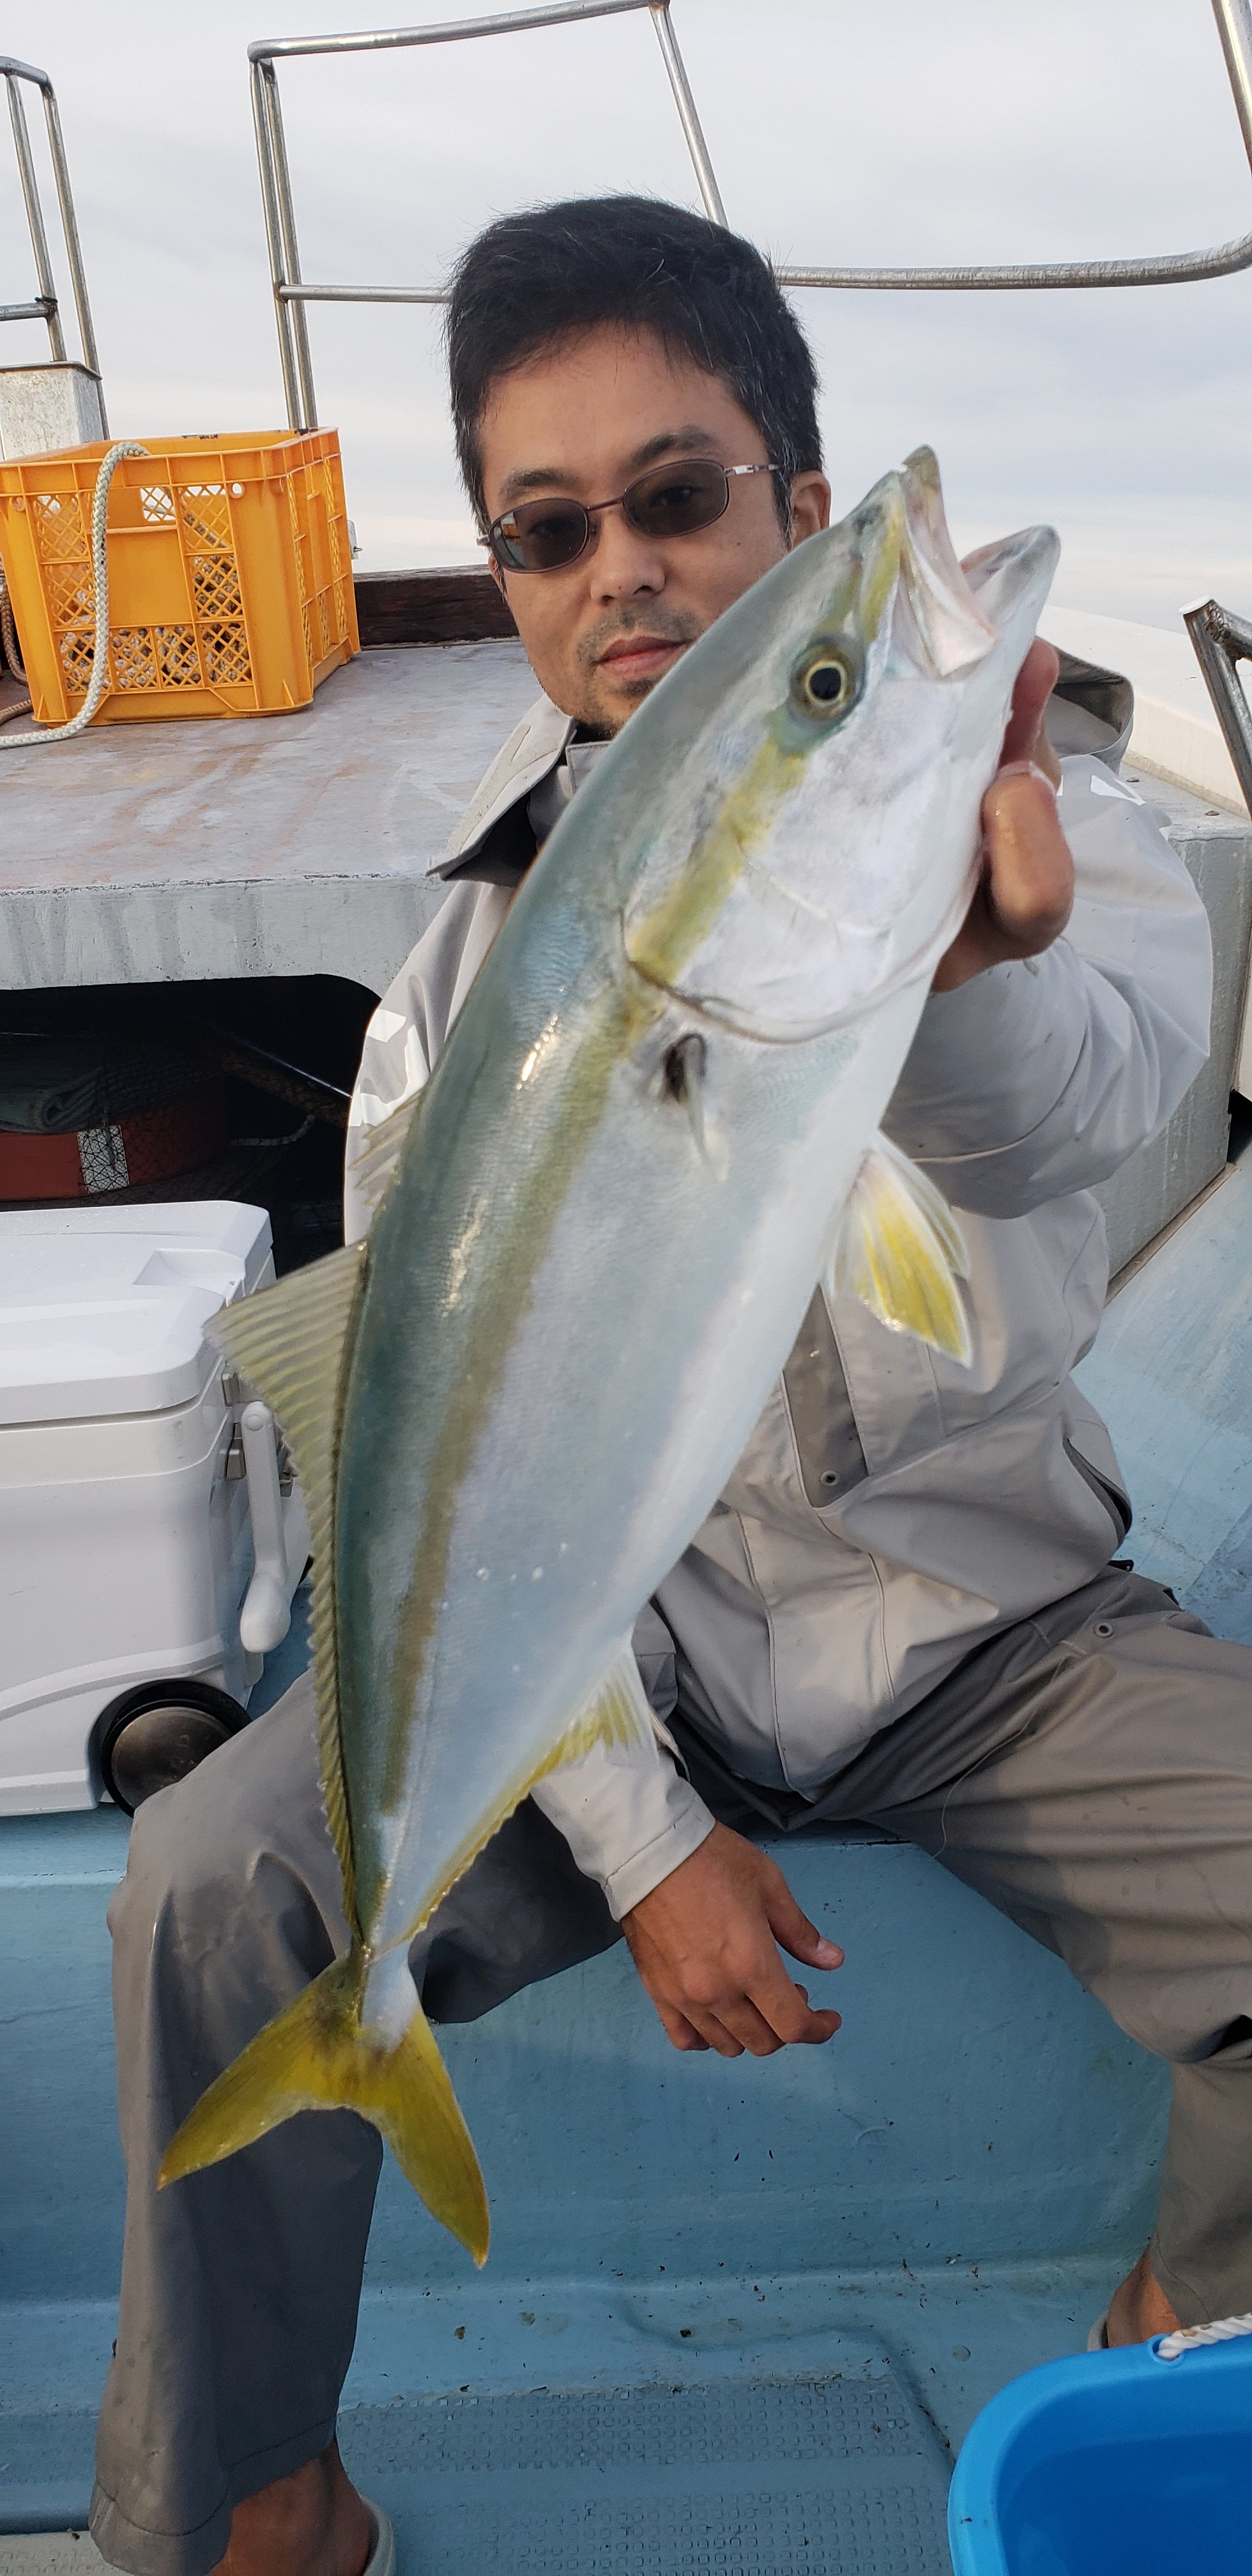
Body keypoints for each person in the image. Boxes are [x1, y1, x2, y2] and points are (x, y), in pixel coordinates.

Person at [90, 197, 1248, 2576]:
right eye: (547, 530)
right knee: (214, 1883)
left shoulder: (1060, 839)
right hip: (627, 1661)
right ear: (511, 582)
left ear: (797, 506)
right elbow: (470, 1485)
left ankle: (1177, 2354)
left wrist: (955, 973)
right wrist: (641, 1841)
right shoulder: (459, 1001)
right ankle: (260, 2503)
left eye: (681, 494)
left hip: (994, 1627)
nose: (618, 566)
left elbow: (1071, 1122)